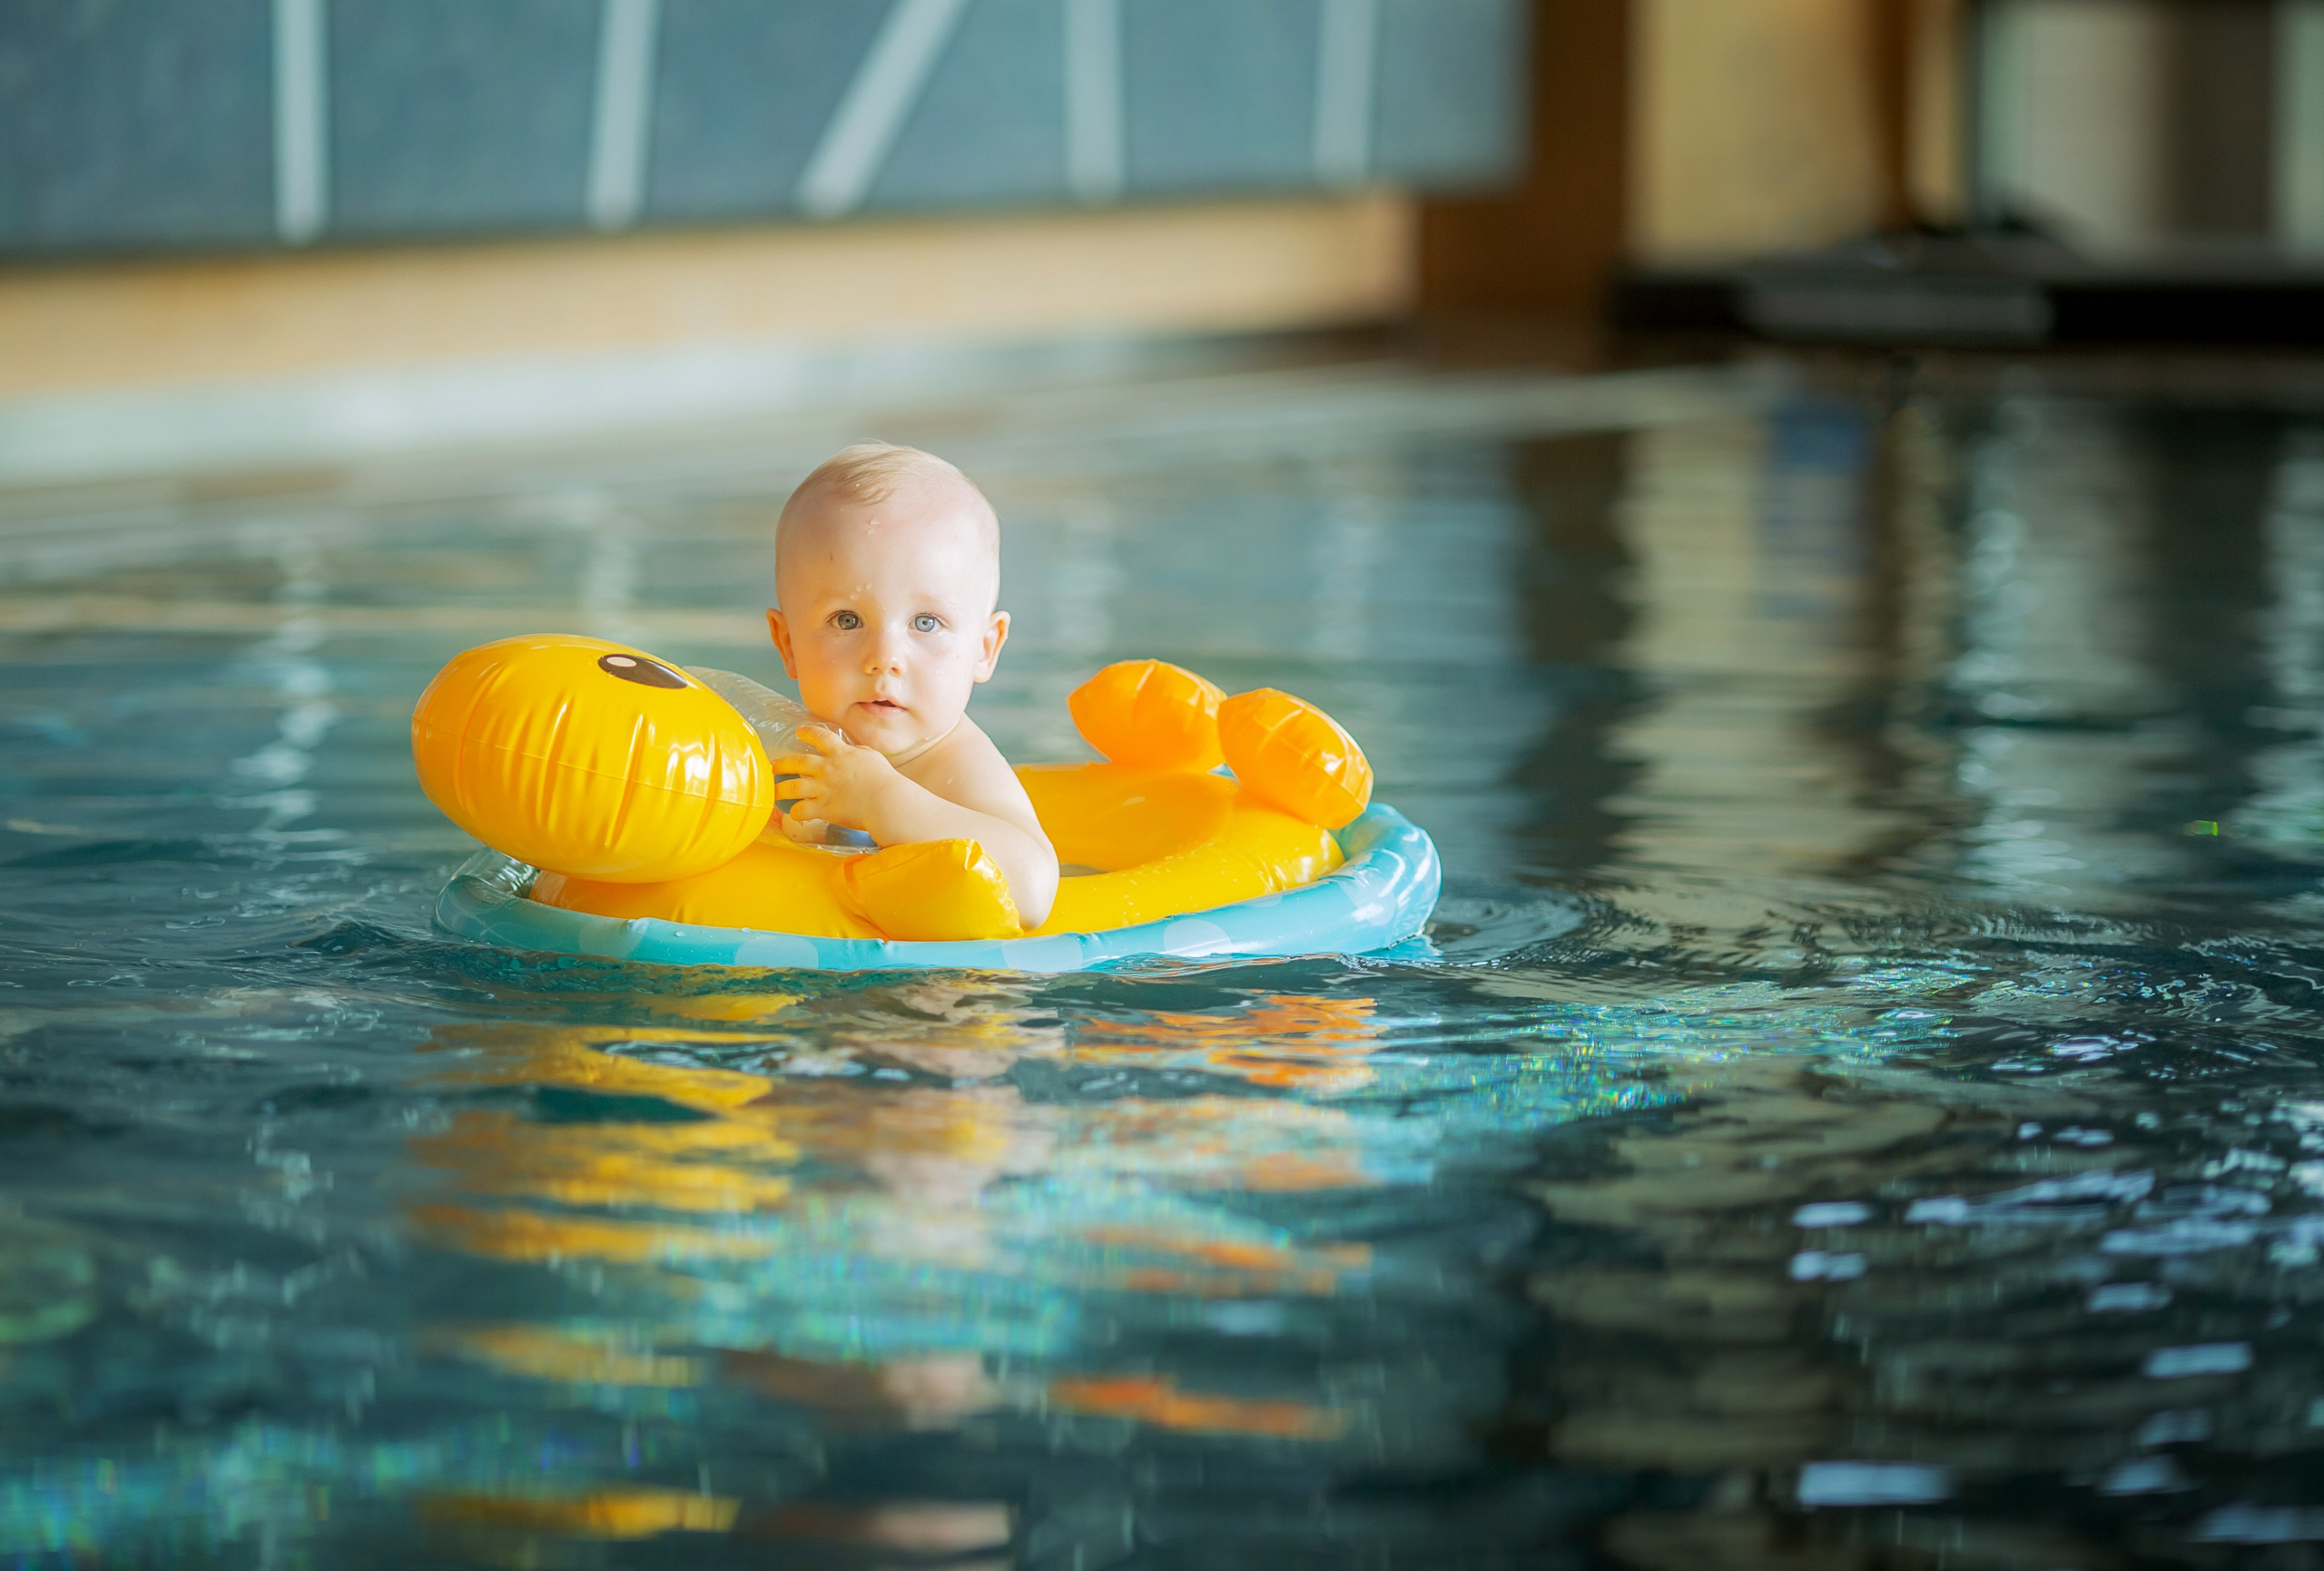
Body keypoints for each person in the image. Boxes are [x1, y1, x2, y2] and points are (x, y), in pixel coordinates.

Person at [765, 442, 1059, 929]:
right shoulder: (787, 740)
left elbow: (1032, 889)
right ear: (788, 643)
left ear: (985, 648)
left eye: (925, 622)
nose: (884, 658)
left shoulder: (956, 766)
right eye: (846, 619)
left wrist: (881, 800)